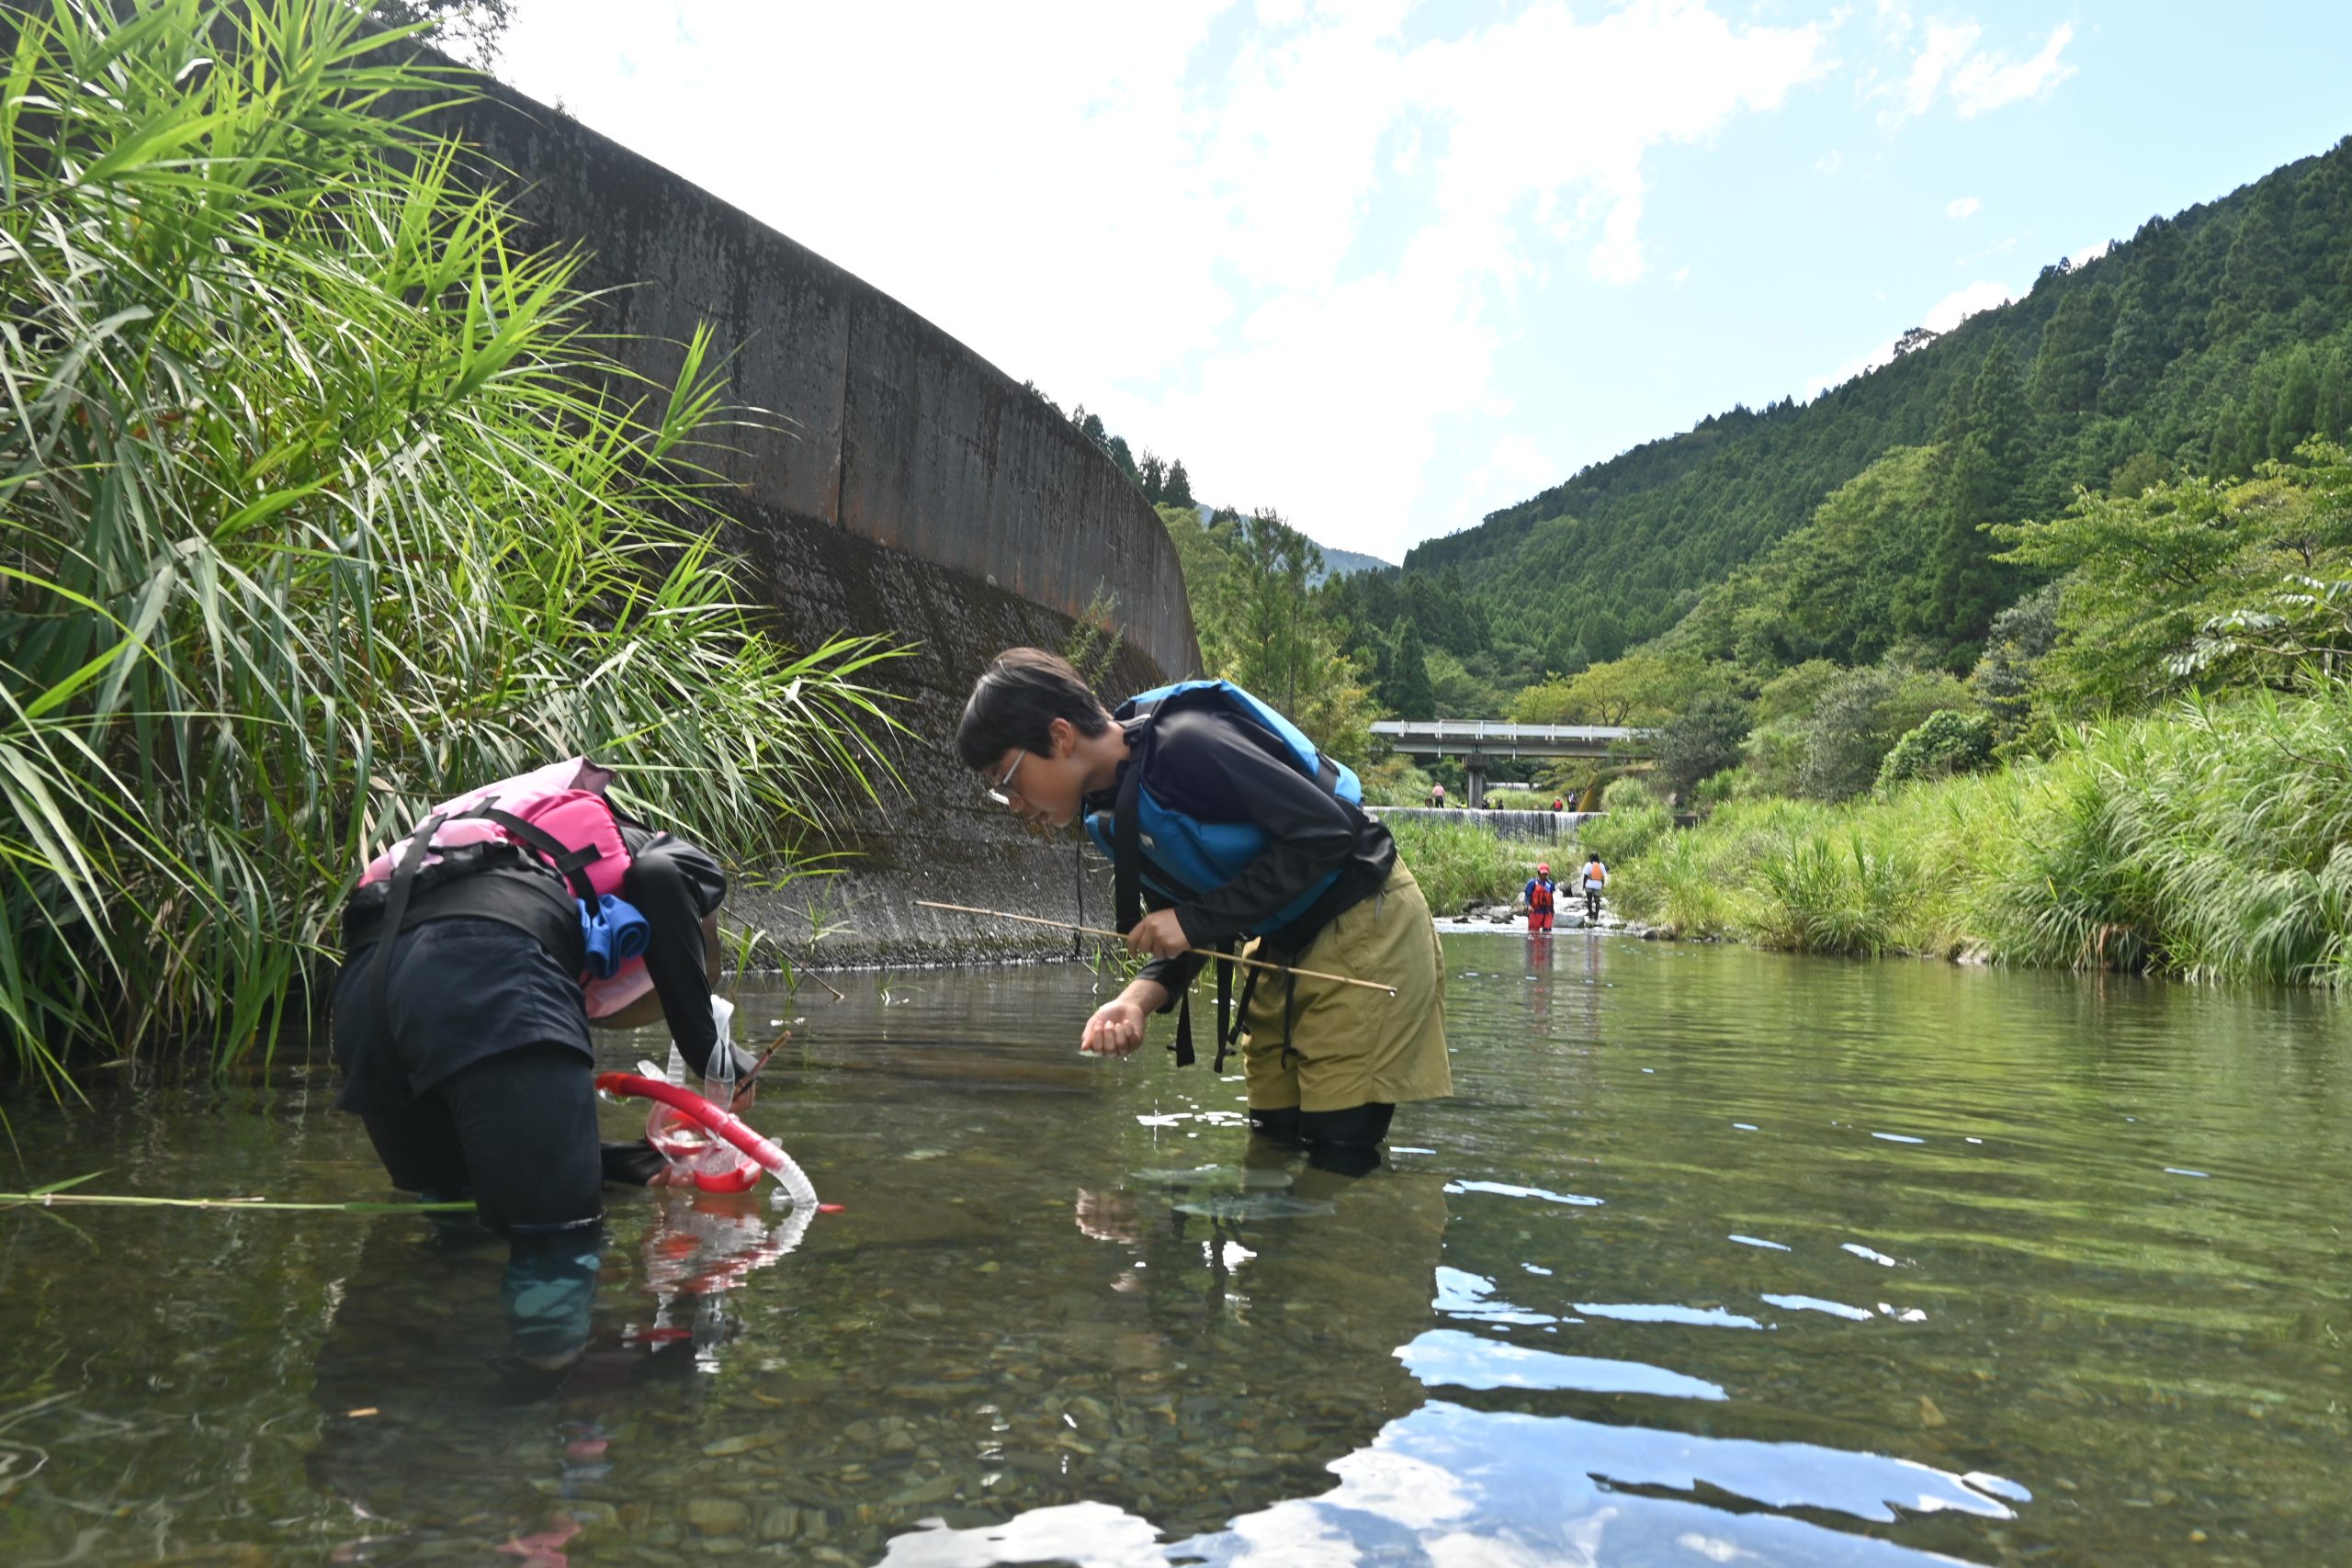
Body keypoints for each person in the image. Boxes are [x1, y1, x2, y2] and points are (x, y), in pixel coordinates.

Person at [956, 649, 1450, 1166]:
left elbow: (1330, 831)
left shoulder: (1188, 744)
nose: (1013, 803)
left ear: (1059, 737)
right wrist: (1135, 1001)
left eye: (1006, 779)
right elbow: (1189, 925)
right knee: (1273, 1142)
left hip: (1364, 923)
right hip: (1279, 946)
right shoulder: (1109, 814)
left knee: (1338, 1151)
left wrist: (1192, 921)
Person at [332, 759, 759, 1333]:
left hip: (365, 994)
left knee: (455, 1216)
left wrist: (636, 1164)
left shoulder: (499, 832)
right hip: (491, 963)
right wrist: (712, 1056)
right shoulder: (650, 850)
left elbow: (503, 1151)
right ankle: (545, 1382)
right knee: (558, 1248)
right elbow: (659, 877)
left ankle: (410, 1394)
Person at [1522, 863, 1555, 932]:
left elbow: (1551, 897)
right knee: (1533, 932)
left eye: (1546, 874)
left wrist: (1552, 911)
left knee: (1547, 932)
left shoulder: (1550, 884)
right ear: (1538, 873)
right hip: (1535, 911)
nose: (1544, 875)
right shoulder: (1532, 883)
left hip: (1547, 912)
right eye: (1542, 873)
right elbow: (1527, 896)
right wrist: (1528, 906)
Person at [1578, 852, 1609, 921]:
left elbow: (1585, 876)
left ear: (1591, 858)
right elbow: (1605, 876)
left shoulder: (1588, 865)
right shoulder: (1601, 865)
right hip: (1598, 885)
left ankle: (1591, 914)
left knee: (1589, 900)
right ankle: (1596, 915)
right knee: (1597, 900)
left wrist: (1583, 886)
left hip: (1589, 884)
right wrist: (1604, 885)